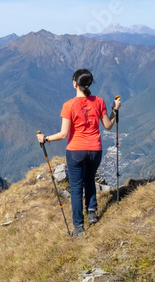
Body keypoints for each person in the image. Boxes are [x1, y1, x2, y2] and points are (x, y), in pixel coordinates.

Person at [37, 69, 121, 237]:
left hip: (75, 151)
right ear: (88, 84)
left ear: (75, 83)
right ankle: (91, 212)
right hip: (95, 150)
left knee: (76, 189)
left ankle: (79, 228)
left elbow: (63, 134)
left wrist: (45, 139)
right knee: (90, 179)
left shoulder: (69, 105)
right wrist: (115, 109)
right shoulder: (99, 101)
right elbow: (108, 126)